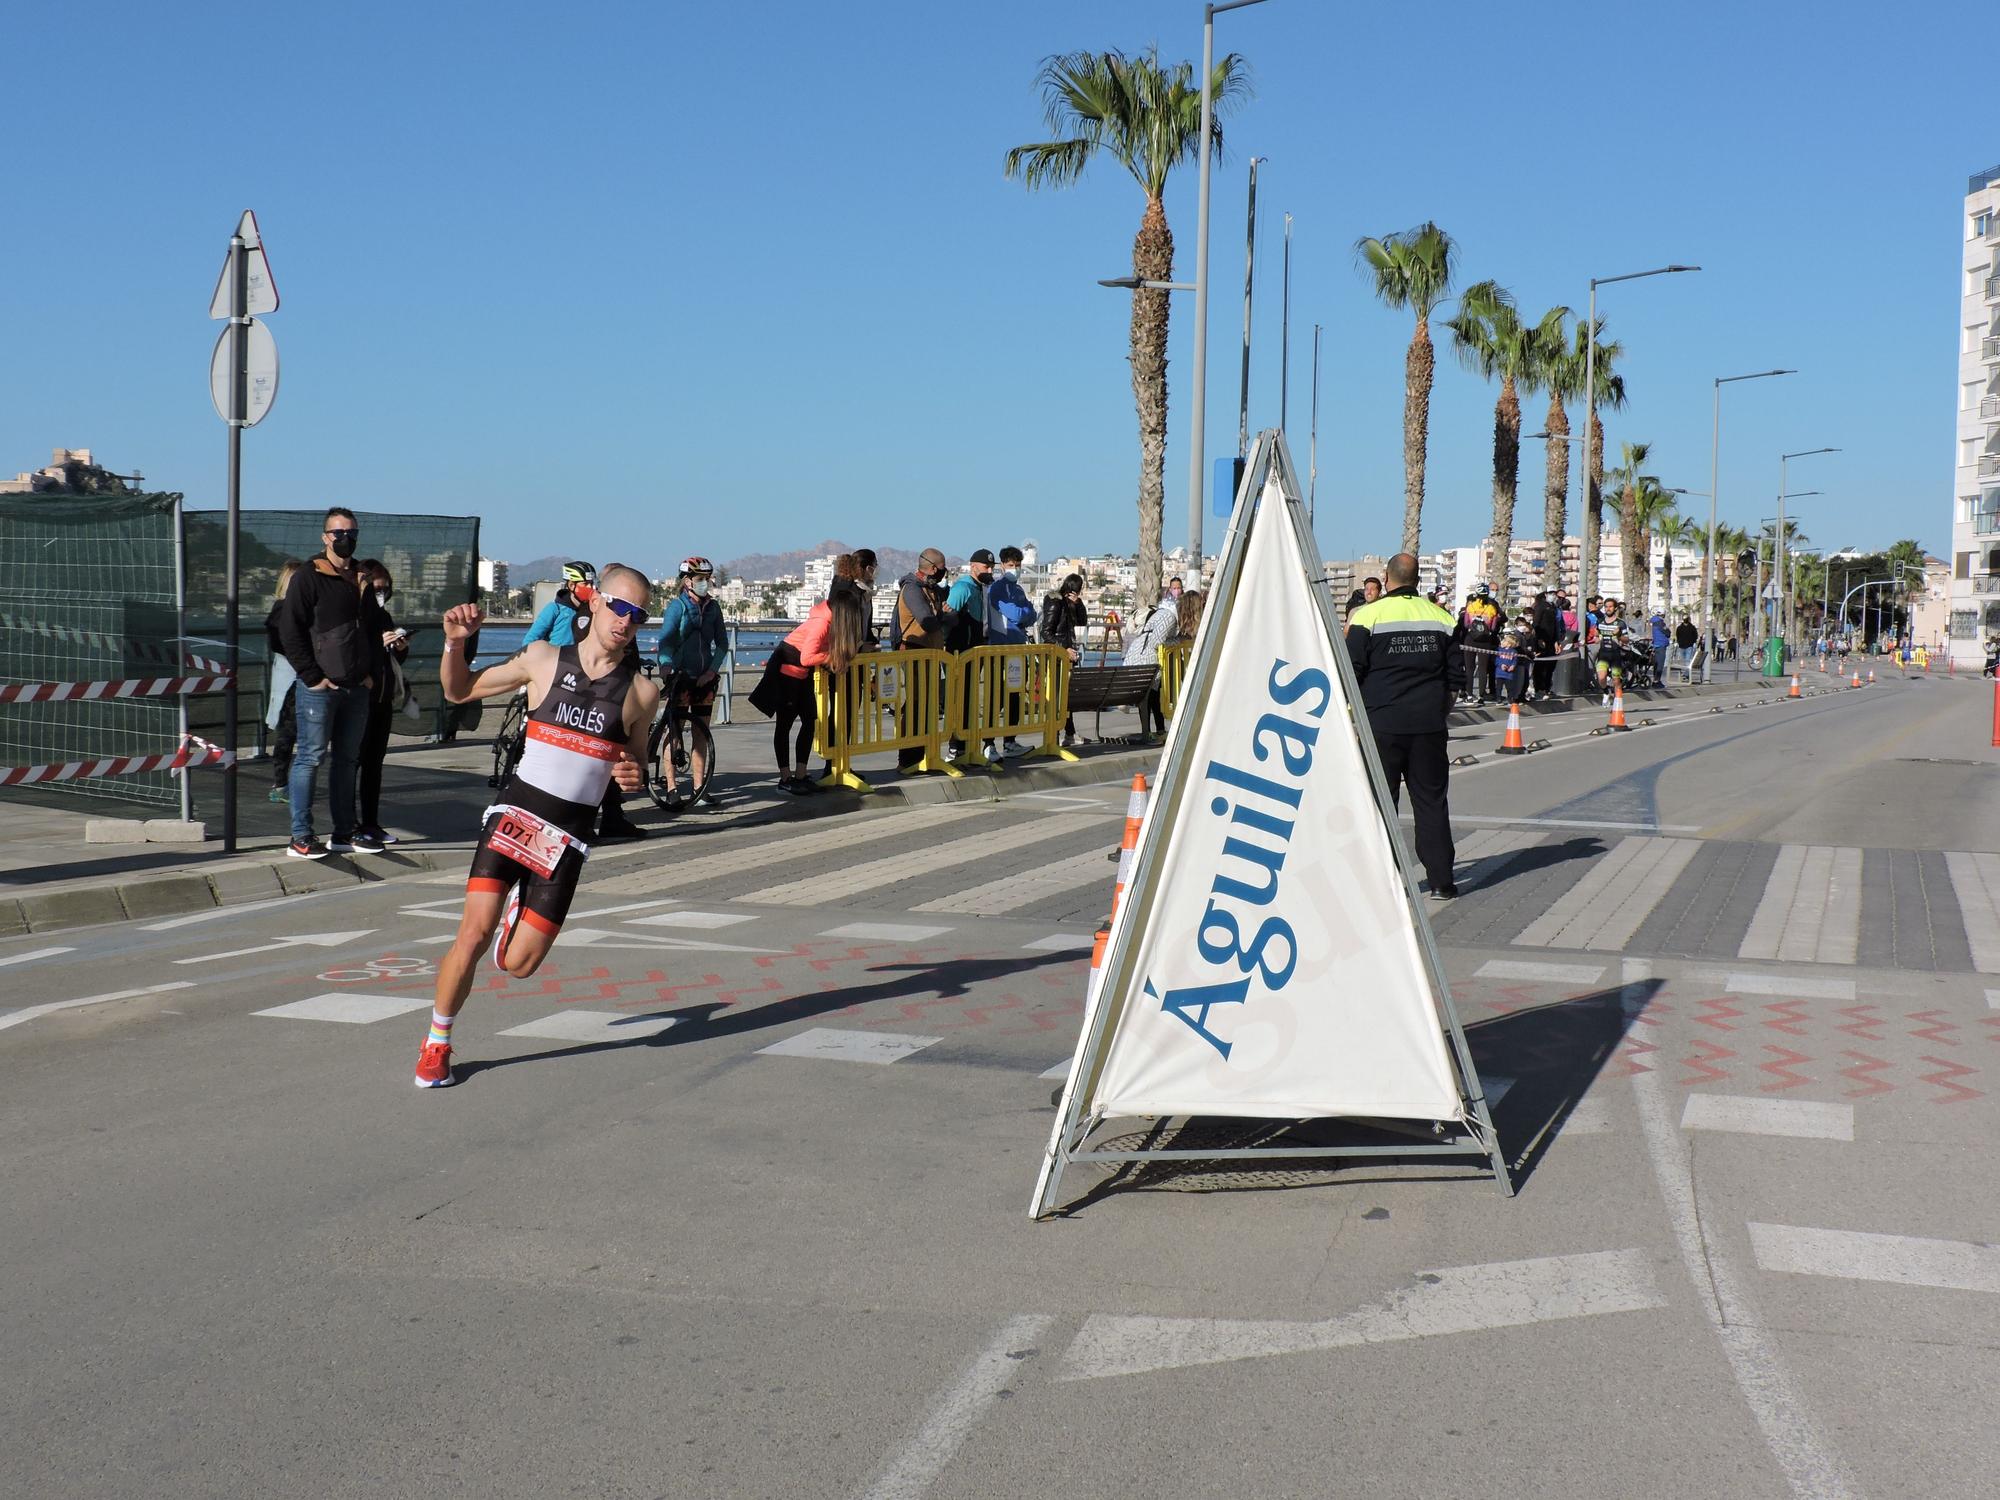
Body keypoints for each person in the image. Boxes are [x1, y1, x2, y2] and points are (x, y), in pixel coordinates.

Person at [414, 565, 660, 1088]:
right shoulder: (543, 660)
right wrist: (455, 645)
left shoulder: (641, 692)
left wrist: (634, 774)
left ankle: (515, 924)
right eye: (618, 607)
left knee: (519, 964)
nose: (625, 622)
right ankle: (437, 1043)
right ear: (594, 603)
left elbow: (635, 766)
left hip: (567, 840)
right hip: (516, 817)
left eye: (638, 616)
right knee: (472, 933)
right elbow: (459, 692)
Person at [1346, 552, 1462, 899]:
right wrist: (1439, 709)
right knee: (1431, 802)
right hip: (1428, 725)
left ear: (1386, 577)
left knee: (1381, 803)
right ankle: (1441, 881)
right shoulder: (1442, 617)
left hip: (1381, 723)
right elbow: (1456, 678)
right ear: (1417, 579)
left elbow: (1351, 671)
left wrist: (1353, 717)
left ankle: (1384, 884)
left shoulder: (1368, 616)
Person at [274, 507, 376, 859]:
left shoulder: (363, 576)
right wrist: (313, 677)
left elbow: (373, 629)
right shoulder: (309, 575)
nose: (344, 539)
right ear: (325, 537)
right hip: (319, 689)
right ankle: (300, 836)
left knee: (347, 760)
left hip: (356, 688)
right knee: (310, 758)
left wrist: (369, 675)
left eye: (350, 533)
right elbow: (289, 629)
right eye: (337, 533)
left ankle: (344, 832)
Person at [752, 589, 867, 794]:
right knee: (784, 724)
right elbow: (807, 657)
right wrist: (831, 658)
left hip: (802, 674)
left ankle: (801, 774)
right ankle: (785, 778)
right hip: (786, 669)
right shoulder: (821, 623)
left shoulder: (831, 623)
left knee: (809, 720)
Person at [653, 556, 727, 814]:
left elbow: (723, 644)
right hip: (681, 677)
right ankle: (672, 788)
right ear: (687, 581)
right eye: (700, 579)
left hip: (705, 679)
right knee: (674, 733)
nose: (705, 583)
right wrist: (665, 665)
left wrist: (711, 671)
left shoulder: (714, 608)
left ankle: (699, 787)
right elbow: (666, 641)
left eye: (708, 579)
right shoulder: (677, 607)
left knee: (701, 734)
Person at [353, 559, 411, 848]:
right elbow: (356, 651)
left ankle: (371, 823)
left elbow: (390, 660)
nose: (382, 593)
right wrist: (379, 644)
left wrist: (399, 647)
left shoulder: (384, 616)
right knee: (353, 762)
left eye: (386, 589)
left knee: (374, 764)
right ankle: (349, 825)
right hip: (360, 699)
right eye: (377, 588)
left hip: (383, 698)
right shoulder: (356, 616)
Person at [891, 548, 952, 770]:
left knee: (928, 704)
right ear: (934, 568)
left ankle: (924, 753)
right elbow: (927, 621)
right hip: (914, 651)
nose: (944, 573)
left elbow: (940, 619)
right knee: (916, 703)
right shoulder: (912, 589)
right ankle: (907, 758)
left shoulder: (931, 589)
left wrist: (942, 616)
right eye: (943, 568)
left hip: (931, 653)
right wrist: (943, 616)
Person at [984, 545, 1037, 758]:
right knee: (995, 696)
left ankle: (1010, 741)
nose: (1014, 569)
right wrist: (1025, 612)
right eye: (1010, 565)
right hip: (999, 647)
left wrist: (1025, 612)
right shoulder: (997, 588)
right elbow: (1015, 613)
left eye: (1017, 565)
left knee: (1015, 695)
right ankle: (988, 743)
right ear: (1002, 565)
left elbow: (1031, 614)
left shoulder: (1018, 589)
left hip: (1017, 648)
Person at [264, 559, 306, 804]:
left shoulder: (299, 609)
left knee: (294, 735)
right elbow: (278, 642)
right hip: (291, 679)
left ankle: (286, 784)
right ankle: (281, 784)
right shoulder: (281, 609)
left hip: (299, 676)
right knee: (287, 734)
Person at [1122, 587, 1179, 738]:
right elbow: (1157, 641)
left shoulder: (1158, 614)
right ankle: (1153, 731)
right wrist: (1178, 641)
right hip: (1146, 659)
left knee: (1151, 694)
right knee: (1151, 694)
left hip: (1134, 658)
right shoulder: (1168, 616)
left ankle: (1154, 730)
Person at [1041, 572, 1088, 748]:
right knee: (1057, 698)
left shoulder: (1070, 605)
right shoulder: (1055, 602)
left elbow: (1082, 622)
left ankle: (1068, 733)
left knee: (1065, 698)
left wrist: (1078, 604)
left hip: (1068, 656)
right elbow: (1047, 632)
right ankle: (1054, 735)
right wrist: (1064, 648)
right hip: (1057, 657)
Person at [522, 561, 594, 647]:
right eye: (585, 584)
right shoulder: (554, 609)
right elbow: (529, 642)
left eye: (591, 583)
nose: (590, 587)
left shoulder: (592, 610)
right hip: (555, 659)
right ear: (571, 585)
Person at [1459, 584, 1500, 705]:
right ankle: (1481, 696)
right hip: (1485, 641)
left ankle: (1470, 695)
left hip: (1470, 640)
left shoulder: (1470, 607)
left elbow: (1466, 625)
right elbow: (1493, 627)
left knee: (1469, 668)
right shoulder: (1492, 608)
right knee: (1483, 669)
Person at [1531, 591, 1560, 700]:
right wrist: (1539, 639)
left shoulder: (1554, 607)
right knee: (1540, 666)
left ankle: (1547, 688)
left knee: (1550, 666)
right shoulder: (1540, 607)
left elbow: (1555, 625)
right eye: (1551, 593)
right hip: (1542, 641)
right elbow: (1536, 623)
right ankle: (1539, 688)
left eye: (1554, 593)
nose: (1553, 596)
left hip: (1551, 641)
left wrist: (1556, 641)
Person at [1674, 613, 1699, 681]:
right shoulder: (1680, 628)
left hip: (1688, 646)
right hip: (1682, 646)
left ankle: (1686, 674)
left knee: (1687, 661)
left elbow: (1695, 636)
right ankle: (1686, 674)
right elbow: (1677, 636)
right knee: (1683, 661)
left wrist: (1692, 642)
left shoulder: (1692, 627)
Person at [1649, 610, 1670, 684]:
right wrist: (1668, 630)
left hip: (1656, 644)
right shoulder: (1660, 623)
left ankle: (1655, 679)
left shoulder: (1654, 622)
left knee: (1656, 663)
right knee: (1660, 664)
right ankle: (1657, 681)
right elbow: (1667, 633)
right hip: (1661, 644)